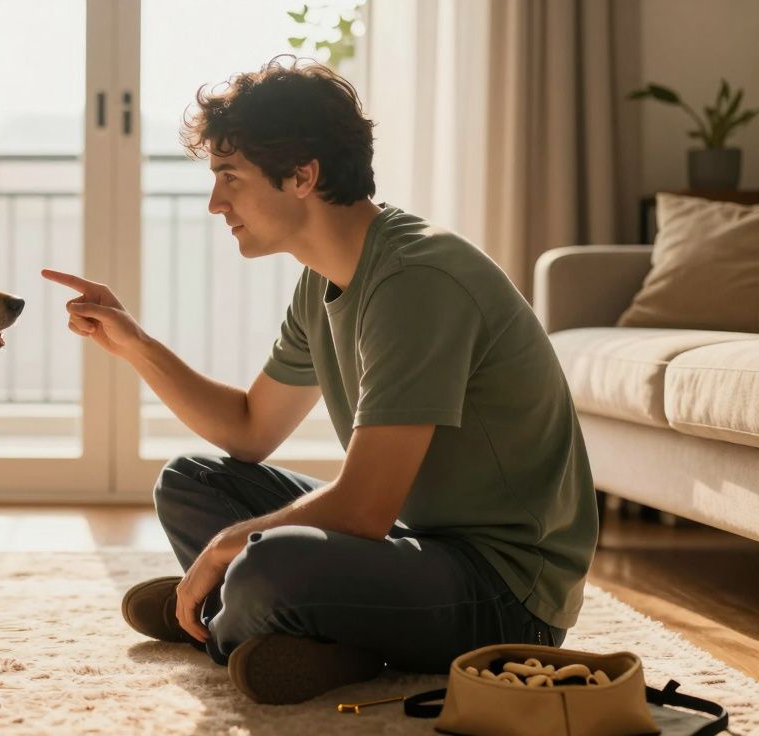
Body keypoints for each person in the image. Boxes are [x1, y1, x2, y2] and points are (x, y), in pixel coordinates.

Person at [41, 57, 597, 705]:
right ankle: (290, 632)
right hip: (417, 544)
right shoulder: (323, 279)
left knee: (269, 561)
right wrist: (134, 344)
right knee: (194, 482)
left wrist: (229, 546)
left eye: (230, 176)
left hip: (507, 593)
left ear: (302, 175)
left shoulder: (416, 279)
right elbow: (250, 429)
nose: (216, 202)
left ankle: (232, 619)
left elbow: (364, 508)